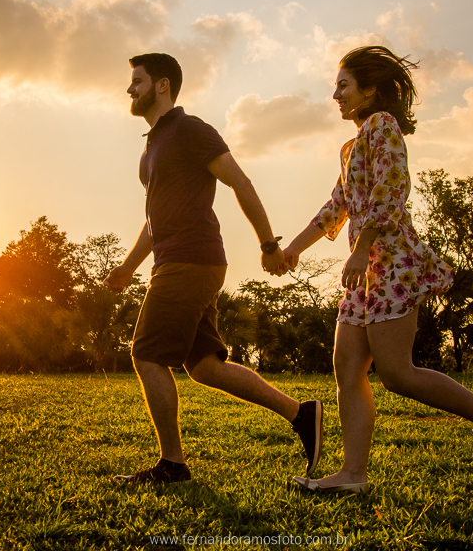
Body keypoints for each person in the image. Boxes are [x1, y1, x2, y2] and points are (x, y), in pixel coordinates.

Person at [283, 45, 473, 494]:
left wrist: (362, 249)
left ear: (369, 90)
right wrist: (293, 249)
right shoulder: (353, 144)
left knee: (396, 373)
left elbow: (392, 190)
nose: (335, 94)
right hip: (366, 270)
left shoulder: (383, 126)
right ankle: (353, 474)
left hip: (390, 262)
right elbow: (337, 205)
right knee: (347, 366)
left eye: (343, 86)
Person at [104, 52, 323, 485]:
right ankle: (301, 414)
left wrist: (267, 243)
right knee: (203, 366)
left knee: (146, 353)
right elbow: (153, 221)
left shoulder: (190, 130)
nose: (129, 89)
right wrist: (128, 267)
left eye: (137, 81)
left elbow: (239, 180)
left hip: (192, 259)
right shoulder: (151, 148)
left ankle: (173, 466)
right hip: (178, 260)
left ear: (162, 85)